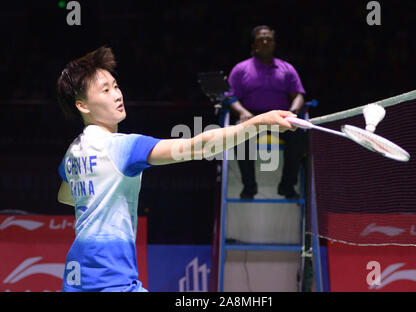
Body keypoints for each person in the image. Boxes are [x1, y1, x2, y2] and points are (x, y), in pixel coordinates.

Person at [56, 46, 297, 292]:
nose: (117, 95)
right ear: (83, 106)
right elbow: (197, 147)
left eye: (115, 86)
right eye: (105, 90)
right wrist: (260, 122)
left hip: (77, 278)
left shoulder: (73, 152)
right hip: (111, 279)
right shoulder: (124, 147)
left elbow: (66, 195)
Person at [228, 25, 307, 199]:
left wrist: (293, 111)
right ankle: (249, 186)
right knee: (241, 138)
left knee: (300, 135)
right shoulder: (241, 69)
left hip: (279, 116)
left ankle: (287, 186)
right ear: (253, 44)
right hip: (251, 116)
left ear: (274, 44)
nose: (265, 42)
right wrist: (242, 112)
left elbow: (299, 94)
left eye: (269, 39)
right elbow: (231, 97)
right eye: (261, 39)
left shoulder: (287, 69)